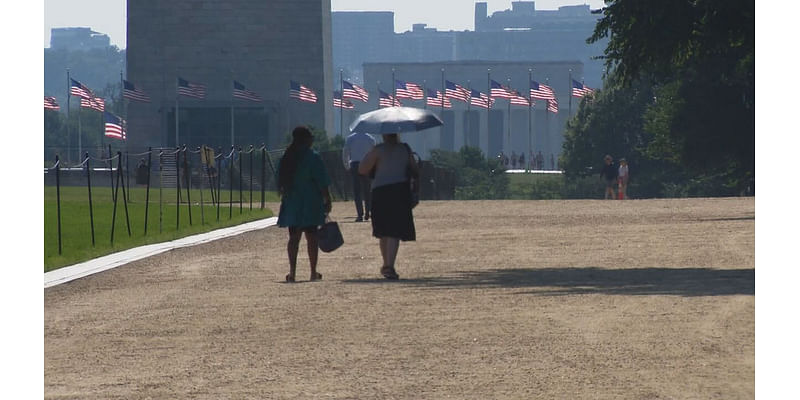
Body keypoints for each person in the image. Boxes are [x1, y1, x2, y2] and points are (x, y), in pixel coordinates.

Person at [358, 133, 419, 280]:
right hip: (400, 190)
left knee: (383, 230)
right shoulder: (405, 149)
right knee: (395, 230)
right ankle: (389, 265)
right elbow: (415, 170)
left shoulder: (378, 150)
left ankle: (387, 264)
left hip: (381, 191)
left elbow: (362, 169)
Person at [276, 126, 333, 283]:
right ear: (307, 139)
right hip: (310, 202)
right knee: (312, 237)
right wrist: (327, 198)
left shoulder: (287, 157)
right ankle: (313, 271)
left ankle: (292, 271)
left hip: (292, 202)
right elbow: (321, 180)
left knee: (294, 237)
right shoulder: (312, 157)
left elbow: (279, 180)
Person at [342, 130, 376, 222]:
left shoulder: (350, 138)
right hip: (367, 163)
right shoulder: (370, 138)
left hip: (355, 164)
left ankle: (359, 214)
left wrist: (346, 165)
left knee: (357, 191)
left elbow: (345, 152)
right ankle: (368, 212)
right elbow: (374, 152)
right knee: (367, 190)